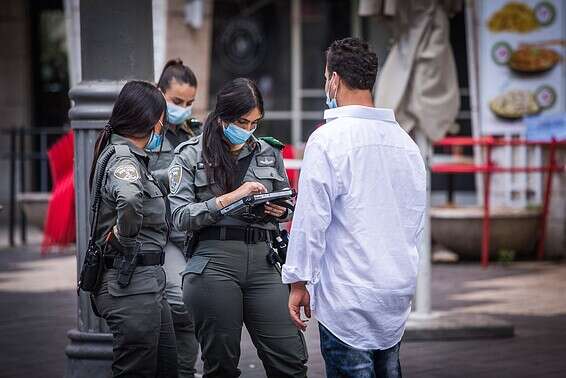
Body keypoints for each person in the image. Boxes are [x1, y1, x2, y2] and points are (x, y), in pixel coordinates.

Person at [282, 37, 426, 378]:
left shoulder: (328, 139)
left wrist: (298, 281)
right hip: (396, 292)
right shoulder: (406, 144)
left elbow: (310, 220)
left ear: (334, 80)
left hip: (347, 296)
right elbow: (415, 220)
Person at [169, 78, 308, 378]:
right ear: (222, 117)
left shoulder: (268, 152)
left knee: (291, 361)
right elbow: (179, 216)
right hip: (213, 261)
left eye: (254, 123)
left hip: (264, 259)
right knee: (221, 366)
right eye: (241, 122)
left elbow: (286, 204)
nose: (247, 130)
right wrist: (232, 197)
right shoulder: (190, 154)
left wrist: (279, 209)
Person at [89, 80, 177, 377]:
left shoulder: (132, 159)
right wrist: (122, 236)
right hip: (131, 287)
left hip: (145, 284)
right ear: (151, 121)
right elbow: (128, 197)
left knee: (165, 368)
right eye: (162, 120)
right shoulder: (125, 158)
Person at [148, 58, 202, 378]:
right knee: (182, 299)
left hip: (194, 230)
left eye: (190, 103)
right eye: (177, 101)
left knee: (199, 304)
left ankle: (184, 369)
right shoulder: (148, 132)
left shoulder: (196, 132)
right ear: (159, 93)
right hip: (162, 233)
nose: (184, 108)